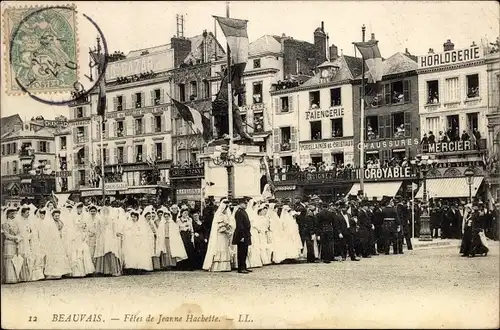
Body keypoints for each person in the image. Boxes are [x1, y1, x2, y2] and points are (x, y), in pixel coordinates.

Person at [203, 199, 233, 272]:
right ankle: (217, 266)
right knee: (220, 248)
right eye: (226, 208)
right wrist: (226, 230)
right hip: (220, 235)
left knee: (225, 248)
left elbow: (228, 224)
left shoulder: (226, 215)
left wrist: (229, 228)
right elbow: (219, 227)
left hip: (225, 236)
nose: (227, 210)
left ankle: (225, 266)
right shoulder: (219, 215)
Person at [94, 206, 122, 277]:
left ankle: (112, 270)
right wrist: (98, 237)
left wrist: (115, 235)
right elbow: (98, 229)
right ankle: (103, 270)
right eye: (104, 211)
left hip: (110, 237)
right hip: (102, 237)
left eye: (107, 211)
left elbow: (114, 229)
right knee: (102, 251)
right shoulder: (100, 220)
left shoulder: (112, 219)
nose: (105, 213)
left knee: (111, 250)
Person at [2, 207, 23, 284]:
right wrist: (16, 238)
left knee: (15, 259)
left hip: (15, 243)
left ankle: (16, 276)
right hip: (9, 243)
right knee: (9, 260)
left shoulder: (16, 223)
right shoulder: (5, 223)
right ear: (7, 214)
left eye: (14, 213)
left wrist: (19, 237)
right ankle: (10, 278)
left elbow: (19, 232)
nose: (13, 215)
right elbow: (7, 235)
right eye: (11, 214)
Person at [233, 197, 252, 274]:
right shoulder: (239, 212)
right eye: (245, 203)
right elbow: (239, 225)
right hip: (242, 234)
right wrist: (241, 236)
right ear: (240, 204)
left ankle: (244, 266)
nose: (246, 204)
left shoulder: (243, 211)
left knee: (245, 251)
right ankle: (241, 268)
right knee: (241, 252)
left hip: (246, 233)